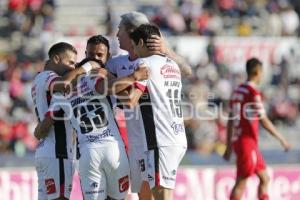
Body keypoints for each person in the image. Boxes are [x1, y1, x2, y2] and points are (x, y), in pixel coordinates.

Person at [34, 36, 149, 200]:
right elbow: (115, 93)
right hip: (112, 148)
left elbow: (45, 124)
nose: (95, 59)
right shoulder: (95, 76)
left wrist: (39, 133)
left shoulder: (64, 90)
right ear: (86, 55)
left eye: (99, 55)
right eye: (91, 55)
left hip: (86, 153)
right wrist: (135, 77)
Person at [106, 11, 191, 200]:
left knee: (160, 192)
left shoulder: (146, 63)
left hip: (156, 139)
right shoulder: (117, 63)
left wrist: (111, 85)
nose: (117, 35)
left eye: (120, 30)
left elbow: (129, 100)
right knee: (144, 194)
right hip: (142, 140)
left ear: (133, 34)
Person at [32, 42, 102, 200]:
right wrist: (87, 67)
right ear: (56, 59)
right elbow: (64, 85)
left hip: (44, 150)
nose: (73, 67)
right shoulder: (51, 77)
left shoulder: (37, 80)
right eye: (70, 62)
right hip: (58, 151)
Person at [223, 58, 291, 200]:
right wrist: (282, 139)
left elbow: (230, 121)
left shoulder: (237, 91)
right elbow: (264, 120)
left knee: (265, 178)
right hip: (247, 143)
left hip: (243, 142)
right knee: (241, 182)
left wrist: (229, 146)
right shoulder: (253, 93)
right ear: (257, 72)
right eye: (262, 72)